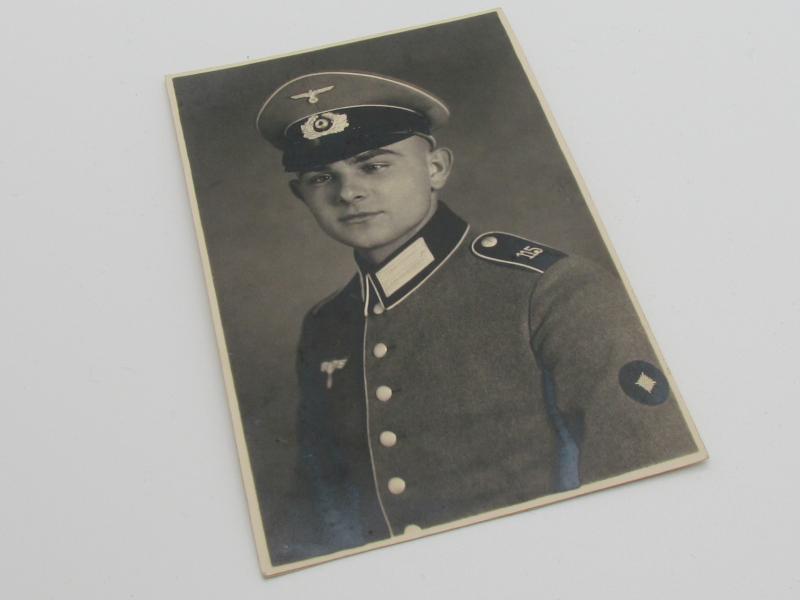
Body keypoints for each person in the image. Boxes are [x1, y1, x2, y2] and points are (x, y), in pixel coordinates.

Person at [256, 71, 699, 557]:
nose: (349, 192)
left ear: (437, 169)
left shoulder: (547, 287)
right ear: (302, 196)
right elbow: (318, 508)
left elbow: (650, 479)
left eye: (374, 165)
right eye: (323, 178)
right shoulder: (326, 325)